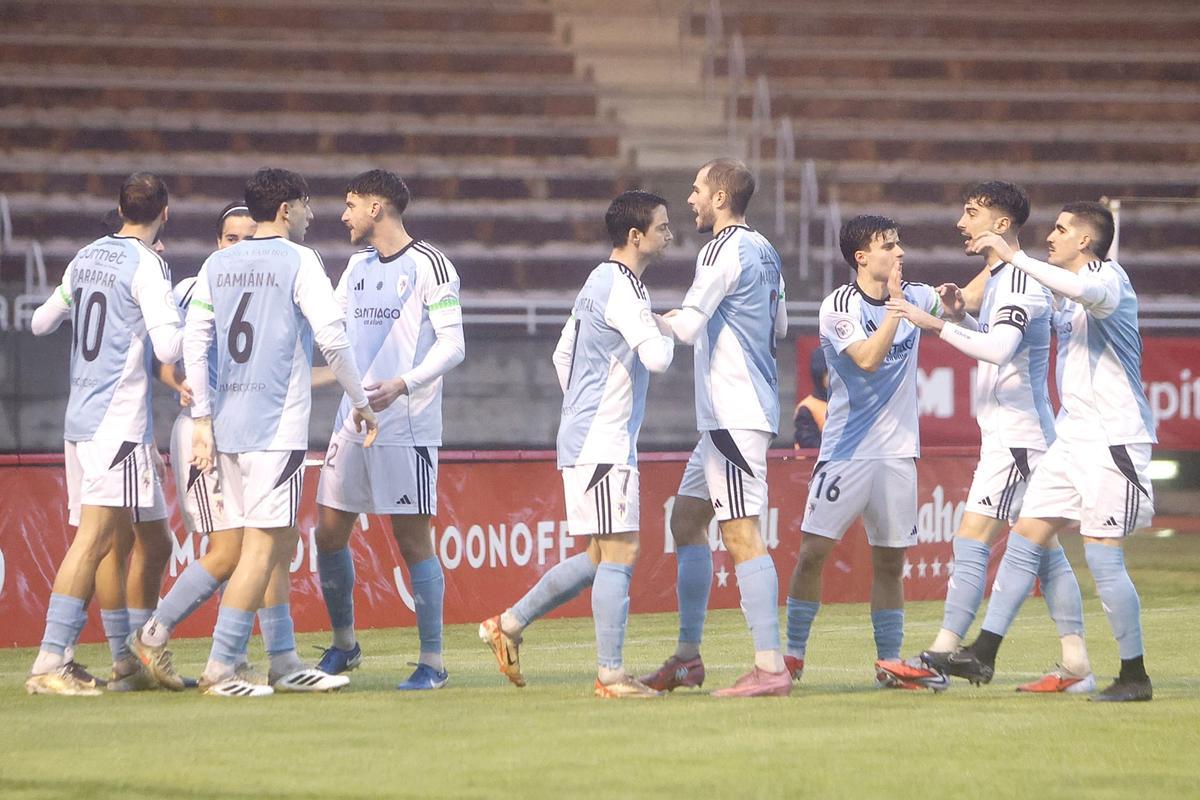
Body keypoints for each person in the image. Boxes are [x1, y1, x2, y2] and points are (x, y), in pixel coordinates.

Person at [136, 168, 379, 697]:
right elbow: (333, 338)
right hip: (275, 426)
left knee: (269, 542)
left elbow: (194, 343)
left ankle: (284, 660)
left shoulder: (216, 264)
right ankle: (221, 663)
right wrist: (360, 402)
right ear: (287, 209)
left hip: (225, 425)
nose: (313, 214)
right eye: (308, 204)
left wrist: (202, 419)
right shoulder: (300, 259)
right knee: (262, 547)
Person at [923, 202, 1156, 702]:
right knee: (1027, 534)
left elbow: (1076, 288)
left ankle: (1134, 675)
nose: (1051, 235)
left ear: (1086, 243)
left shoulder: (1107, 279)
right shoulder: (1062, 294)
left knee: (1104, 560)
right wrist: (967, 307)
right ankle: (984, 650)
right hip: (1072, 438)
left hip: (1115, 439)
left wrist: (1012, 255)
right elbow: (1017, 321)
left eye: (1062, 229)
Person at [878, 181, 1093, 693]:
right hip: (1019, 436)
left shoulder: (1017, 281)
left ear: (1000, 225)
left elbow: (999, 351)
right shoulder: (1003, 279)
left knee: (971, 538)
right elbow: (1006, 344)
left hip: (1018, 440)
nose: (961, 222)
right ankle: (1077, 664)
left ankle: (943, 654)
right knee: (1044, 552)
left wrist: (933, 323)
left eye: (971, 213)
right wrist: (961, 316)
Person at [478, 190, 675, 697]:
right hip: (603, 442)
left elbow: (561, 355)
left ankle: (509, 624)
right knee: (622, 551)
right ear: (637, 236)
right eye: (663, 227)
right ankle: (611, 675)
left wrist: (584, 407)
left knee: (596, 555)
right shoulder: (626, 291)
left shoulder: (597, 279)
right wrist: (665, 327)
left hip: (587, 435)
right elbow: (657, 359)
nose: (670, 235)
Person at [131, 202, 308, 687]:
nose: (239, 246)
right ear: (217, 242)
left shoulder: (265, 284)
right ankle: (163, 637)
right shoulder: (194, 287)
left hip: (244, 432)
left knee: (270, 544)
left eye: (247, 237)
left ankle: (276, 656)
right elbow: (159, 355)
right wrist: (177, 382)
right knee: (230, 548)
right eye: (231, 238)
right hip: (204, 434)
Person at [25, 172, 183, 695]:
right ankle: (52, 659)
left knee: (144, 538)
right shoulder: (149, 264)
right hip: (117, 424)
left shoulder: (87, 256)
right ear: (165, 211)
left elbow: (40, 324)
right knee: (96, 541)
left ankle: (125, 658)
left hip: (82, 420)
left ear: (120, 208)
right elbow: (167, 349)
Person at [639, 158, 790, 698]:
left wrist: (636, 319)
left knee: (740, 531)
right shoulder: (767, 250)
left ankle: (770, 667)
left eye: (698, 190)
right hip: (731, 418)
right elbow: (779, 325)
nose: (690, 200)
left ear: (721, 196)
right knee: (686, 520)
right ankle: (687, 657)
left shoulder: (722, 249)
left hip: (734, 414)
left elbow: (689, 324)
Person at [311, 170, 465, 691]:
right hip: (353, 420)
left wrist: (404, 383)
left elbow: (453, 345)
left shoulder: (431, 265)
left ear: (377, 208)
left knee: (411, 538)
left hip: (408, 425)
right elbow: (334, 335)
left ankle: (433, 661)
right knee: (329, 531)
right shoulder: (355, 268)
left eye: (351, 203)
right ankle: (344, 645)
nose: (344, 214)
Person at [780, 215, 940, 690]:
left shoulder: (916, 295)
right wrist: (896, 307)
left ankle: (888, 662)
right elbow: (868, 359)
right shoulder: (838, 306)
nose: (899, 252)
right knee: (813, 553)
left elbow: (961, 301)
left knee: (891, 563)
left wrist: (997, 255)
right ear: (861, 257)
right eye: (888, 245)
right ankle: (792, 657)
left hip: (897, 456)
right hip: (847, 453)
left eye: (899, 242)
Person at [792, 348, 828, 449]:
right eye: (827, 373)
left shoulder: (844, 403)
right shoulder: (807, 408)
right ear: (819, 375)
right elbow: (807, 442)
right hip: (809, 464)